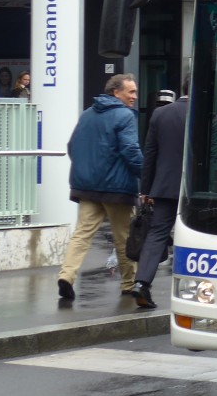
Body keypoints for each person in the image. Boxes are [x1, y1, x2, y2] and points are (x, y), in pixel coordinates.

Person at [57, 73, 142, 301]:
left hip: (88, 187)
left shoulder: (87, 114)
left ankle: (66, 275)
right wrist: (146, 176)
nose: (135, 96)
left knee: (82, 234)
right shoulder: (125, 115)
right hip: (117, 188)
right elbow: (131, 151)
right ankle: (128, 283)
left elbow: (72, 146)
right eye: (131, 91)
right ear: (116, 92)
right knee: (123, 238)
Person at [133, 75, 190, 309]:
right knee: (196, 237)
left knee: (157, 235)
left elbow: (150, 156)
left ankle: (141, 283)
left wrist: (145, 190)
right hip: (192, 190)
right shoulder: (206, 114)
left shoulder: (160, 114)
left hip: (164, 186)